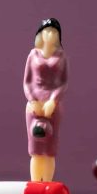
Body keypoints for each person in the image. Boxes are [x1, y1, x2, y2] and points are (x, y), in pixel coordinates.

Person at [24, 18, 68, 182]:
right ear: (40, 34)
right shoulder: (33, 55)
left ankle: (47, 182)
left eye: (54, 32)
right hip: (34, 106)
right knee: (35, 148)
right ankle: (35, 182)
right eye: (47, 31)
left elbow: (64, 82)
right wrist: (32, 99)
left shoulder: (61, 56)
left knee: (49, 149)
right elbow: (27, 82)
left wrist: (53, 100)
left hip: (52, 106)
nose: (50, 34)